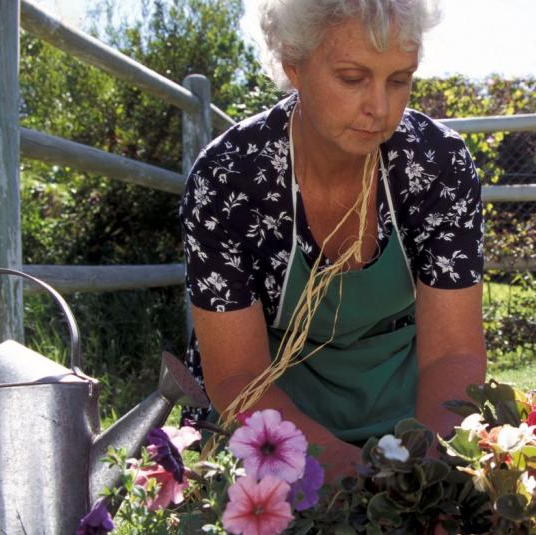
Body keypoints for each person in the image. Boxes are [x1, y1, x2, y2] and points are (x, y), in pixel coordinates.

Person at [180, 0, 486, 481]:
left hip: (408, 411)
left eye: (399, 79)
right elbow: (237, 376)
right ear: (293, 64)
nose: (380, 108)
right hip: (272, 412)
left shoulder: (436, 164)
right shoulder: (230, 178)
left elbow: (454, 353)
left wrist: (429, 472)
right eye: (351, 77)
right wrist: (342, 473)